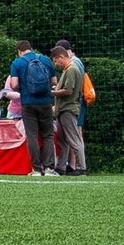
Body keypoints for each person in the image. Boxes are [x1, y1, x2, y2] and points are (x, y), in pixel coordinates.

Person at [6, 39, 57, 178]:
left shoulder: (17, 62)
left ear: (19, 51)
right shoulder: (45, 60)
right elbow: (54, 82)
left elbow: (14, 84)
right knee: (48, 135)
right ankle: (49, 169)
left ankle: (36, 169)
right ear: (31, 48)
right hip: (45, 102)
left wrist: (25, 87)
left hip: (28, 102)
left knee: (32, 136)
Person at [51, 40, 88, 174]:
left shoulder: (72, 69)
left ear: (61, 56)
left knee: (74, 139)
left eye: (56, 61)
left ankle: (81, 168)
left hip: (68, 109)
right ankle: (61, 167)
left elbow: (68, 91)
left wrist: (52, 92)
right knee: (63, 140)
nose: (56, 64)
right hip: (63, 110)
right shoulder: (68, 69)